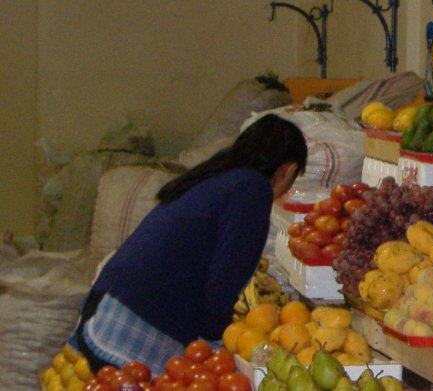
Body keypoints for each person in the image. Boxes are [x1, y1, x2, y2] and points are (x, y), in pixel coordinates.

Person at [68, 114, 307, 373]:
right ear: (289, 170)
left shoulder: (217, 177)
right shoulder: (252, 189)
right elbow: (225, 280)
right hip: (134, 328)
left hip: (108, 307)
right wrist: (222, 350)